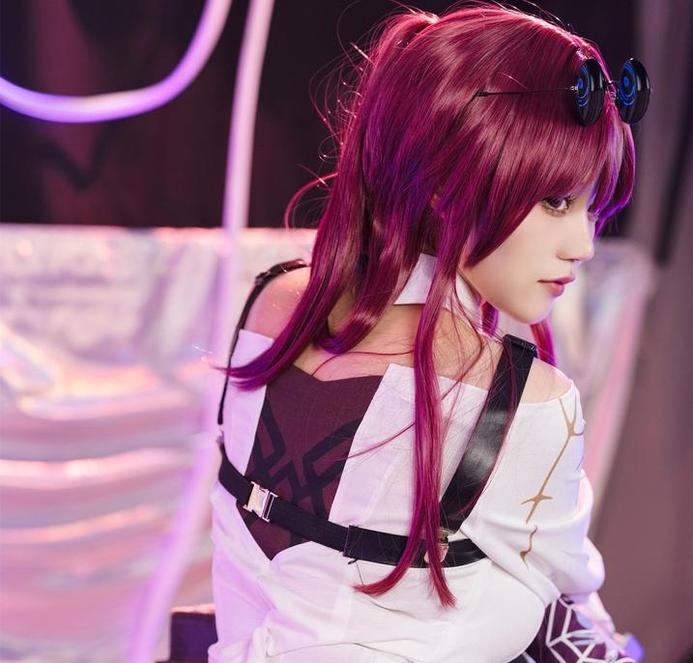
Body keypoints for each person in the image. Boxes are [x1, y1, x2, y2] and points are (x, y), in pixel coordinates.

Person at [208, 2, 641, 661]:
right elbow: (576, 607)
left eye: (592, 208)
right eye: (555, 201)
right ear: (447, 182)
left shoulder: (271, 304)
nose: (582, 244)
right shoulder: (522, 403)